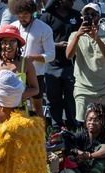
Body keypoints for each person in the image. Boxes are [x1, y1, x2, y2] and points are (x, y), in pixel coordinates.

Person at [65, 2, 105, 127]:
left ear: (98, 17)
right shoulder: (75, 35)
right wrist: (78, 35)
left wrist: (97, 38)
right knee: (85, 123)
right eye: (86, 15)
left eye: (93, 14)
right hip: (83, 87)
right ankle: (87, 145)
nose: (90, 17)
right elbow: (68, 55)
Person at [41, 0, 81, 131]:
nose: (72, 2)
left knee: (71, 98)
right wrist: (57, 45)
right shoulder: (48, 16)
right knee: (53, 99)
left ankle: (73, 126)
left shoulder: (76, 16)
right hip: (52, 65)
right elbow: (39, 40)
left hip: (71, 65)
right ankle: (56, 127)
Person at [9, 0, 53, 119]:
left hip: (36, 74)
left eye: (25, 15)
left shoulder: (44, 28)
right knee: (14, 107)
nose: (22, 18)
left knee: (36, 108)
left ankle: (40, 136)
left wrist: (32, 58)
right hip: (16, 74)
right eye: (19, 15)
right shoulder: (13, 27)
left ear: (32, 13)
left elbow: (51, 55)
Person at [56, 102, 105, 173]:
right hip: (84, 167)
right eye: (89, 119)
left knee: (103, 147)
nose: (92, 122)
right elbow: (67, 141)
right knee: (70, 156)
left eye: (96, 120)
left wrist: (90, 156)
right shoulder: (83, 134)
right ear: (86, 122)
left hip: (102, 170)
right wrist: (79, 153)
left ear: (102, 122)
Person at [0, 25, 38, 106]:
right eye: (5, 42)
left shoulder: (26, 63)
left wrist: (16, 97)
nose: (8, 46)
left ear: (18, 45)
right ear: (0, 44)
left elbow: (35, 89)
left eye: (12, 42)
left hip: (19, 113)